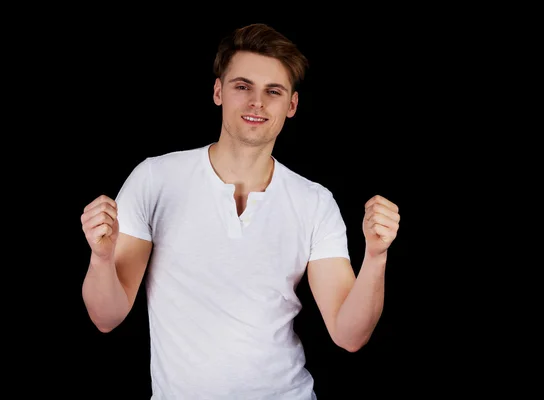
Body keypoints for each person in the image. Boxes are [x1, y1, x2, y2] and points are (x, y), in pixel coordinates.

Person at [80, 23, 400, 399]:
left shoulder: (314, 201)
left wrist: (376, 257)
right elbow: (106, 318)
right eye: (242, 86)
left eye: (273, 91)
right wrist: (101, 258)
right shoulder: (155, 179)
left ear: (292, 105)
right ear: (218, 91)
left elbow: (349, 337)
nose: (257, 103)